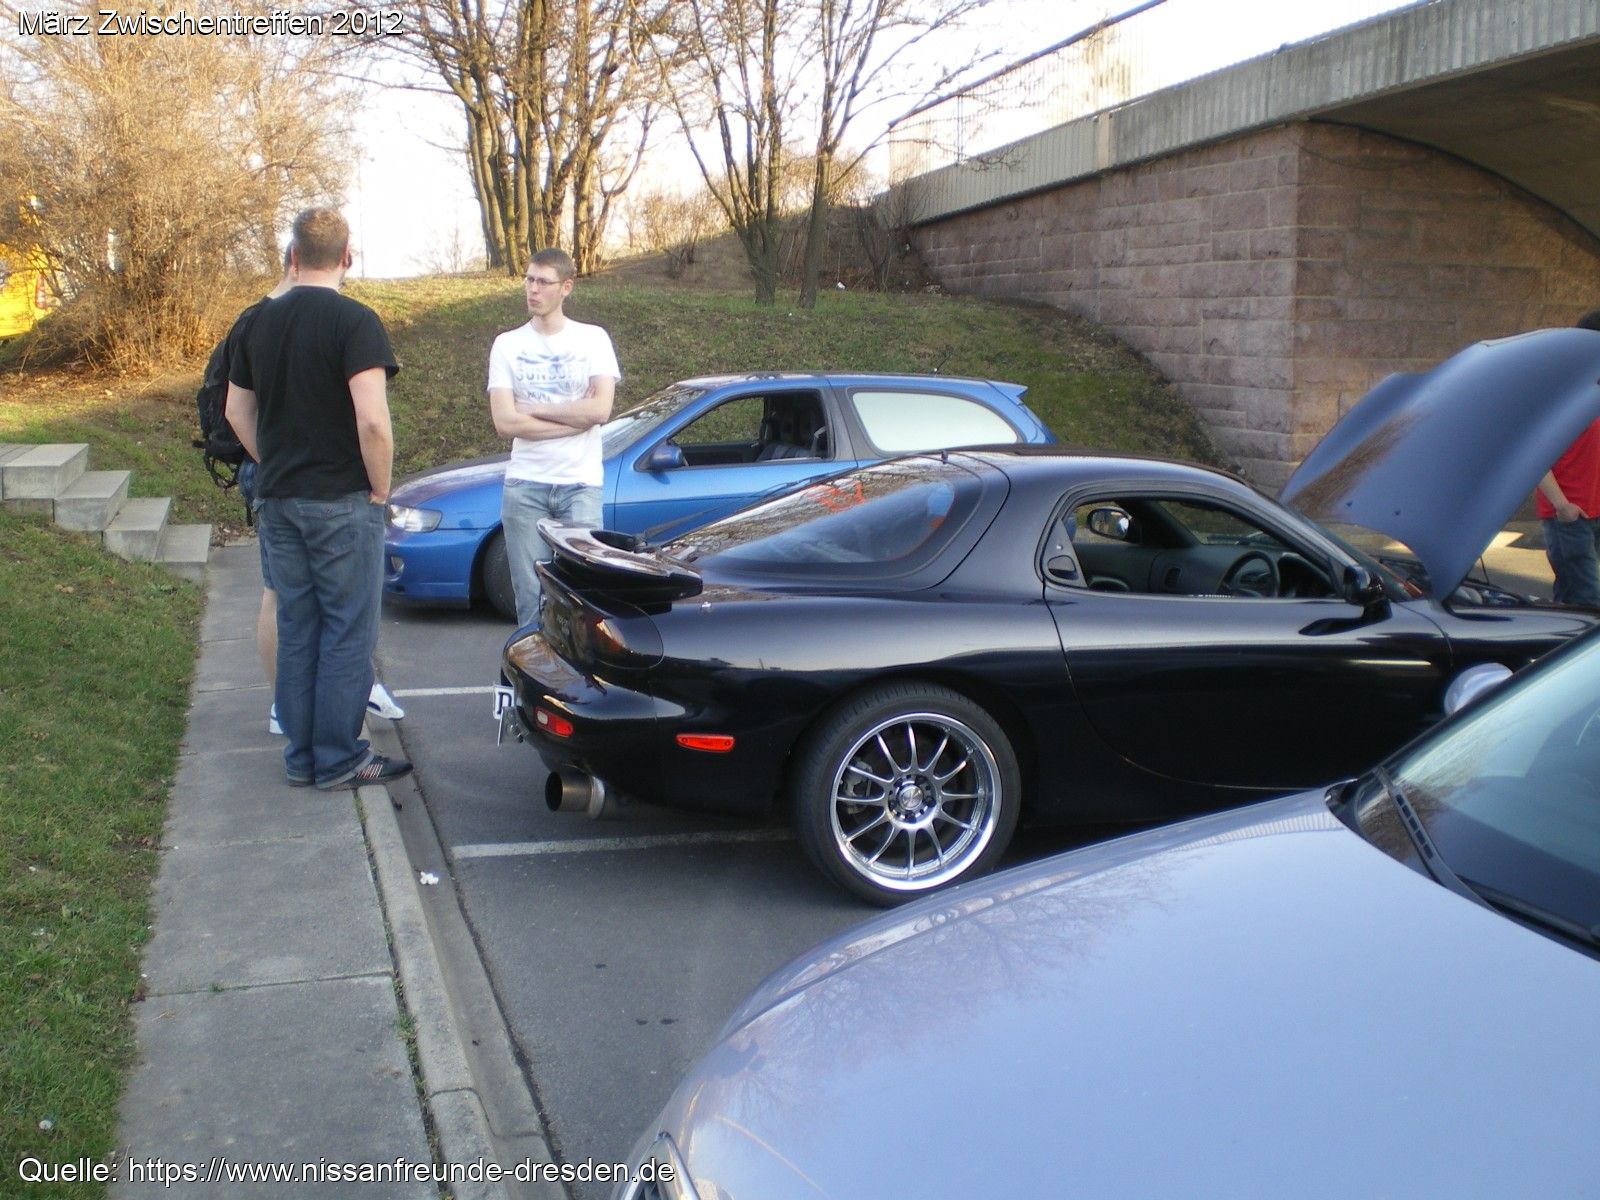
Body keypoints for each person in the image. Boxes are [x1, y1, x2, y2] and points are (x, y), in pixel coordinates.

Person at [224, 207, 411, 788]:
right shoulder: (355, 322)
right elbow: (373, 422)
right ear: (347, 257)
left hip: (279, 500)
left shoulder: (257, 322)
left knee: (299, 626)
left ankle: (301, 757)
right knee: (348, 630)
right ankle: (338, 759)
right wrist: (380, 486)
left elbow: (235, 410)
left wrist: (274, 461)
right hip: (341, 500)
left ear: (293, 256)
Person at [486, 247, 621, 627]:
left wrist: (531, 408)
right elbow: (505, 422)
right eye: (529, 280)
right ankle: (531, 664)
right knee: (531, 598)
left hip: (580, 485)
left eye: (543, 282)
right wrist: (574, 419)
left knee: (584, 594)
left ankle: (579, 666)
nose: (533, 289)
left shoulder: (593, 339)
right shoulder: (507, 344)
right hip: (525, 485)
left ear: (566, 287)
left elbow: (599, 411)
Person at [1535, 309, 1600, 609]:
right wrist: (1562, 505)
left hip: (1592, 509)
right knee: (1586, 603)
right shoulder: (1560, 390)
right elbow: (1536, 453)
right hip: (1570, 515)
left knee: (1573, 602)